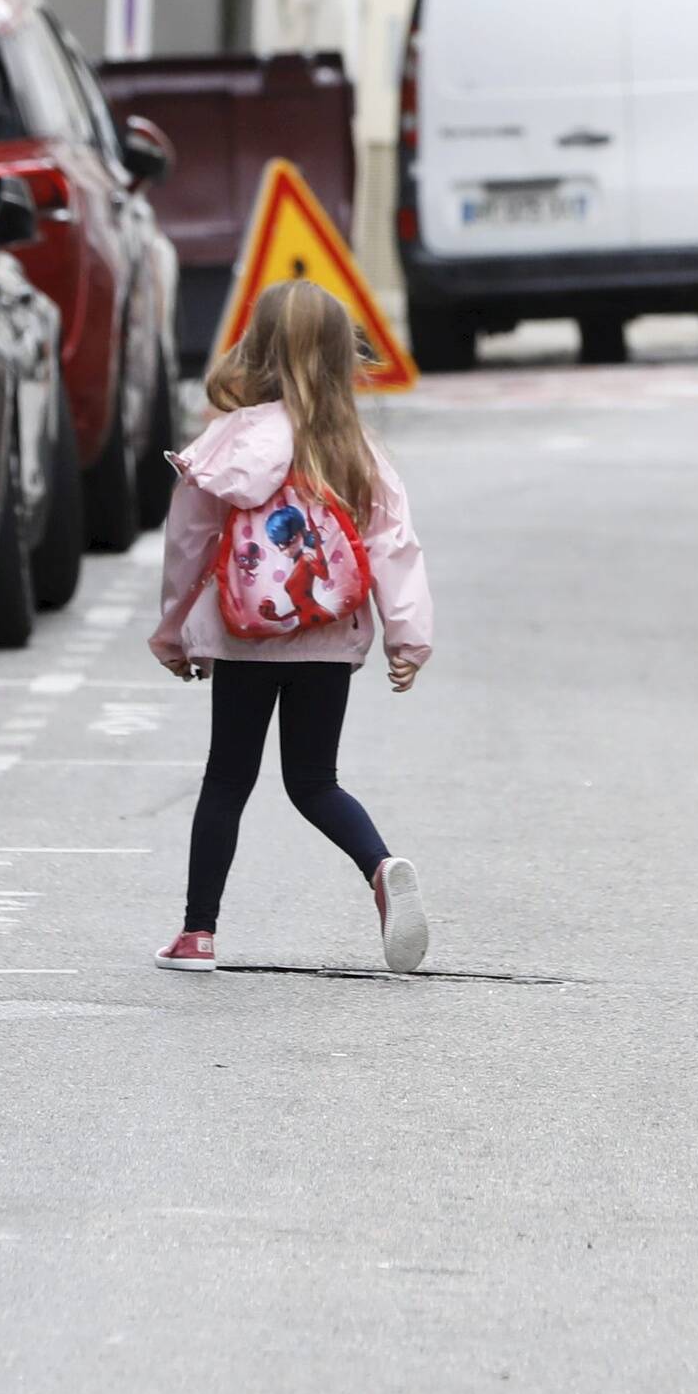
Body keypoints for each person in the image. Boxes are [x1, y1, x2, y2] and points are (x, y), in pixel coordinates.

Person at [151, 276, 435, 974]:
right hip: (328, 639)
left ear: (254, 349)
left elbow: (188, 542)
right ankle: (380, 863)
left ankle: (197, 934)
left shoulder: (231, 440)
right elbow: (392, 546)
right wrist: (407, 637)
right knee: (314, 780)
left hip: (245, 637)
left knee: (226, 780)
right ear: (344, 357)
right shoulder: (354, 450)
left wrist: (173, 630)